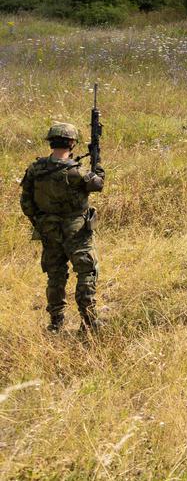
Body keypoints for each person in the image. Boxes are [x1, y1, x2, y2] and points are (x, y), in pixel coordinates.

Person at [20, 122, 104, 332]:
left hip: (49, 229)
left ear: (51, 142)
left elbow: (26, 203)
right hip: (77, 230)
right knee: (86, 272)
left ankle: (56, 322)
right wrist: (97, 163)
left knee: (55, 275)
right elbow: (98, 184)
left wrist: (40, 221)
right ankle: (89, 320)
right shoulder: (77, 173)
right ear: (72, 143)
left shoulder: (35, 169)